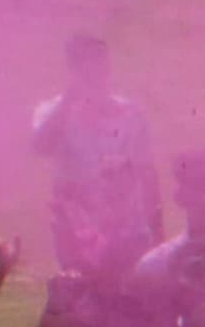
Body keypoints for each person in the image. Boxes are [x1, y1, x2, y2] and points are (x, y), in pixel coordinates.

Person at [35, 36, 165, 279]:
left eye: (101, 62)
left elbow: (148, 173)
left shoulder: (130, 112)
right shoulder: (54, 111)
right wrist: (69, 99)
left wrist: (157, 233)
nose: (96, 71)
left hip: (130, 230)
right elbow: (42, 145)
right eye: (86, 64)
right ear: (72, 68)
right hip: (78, 233)